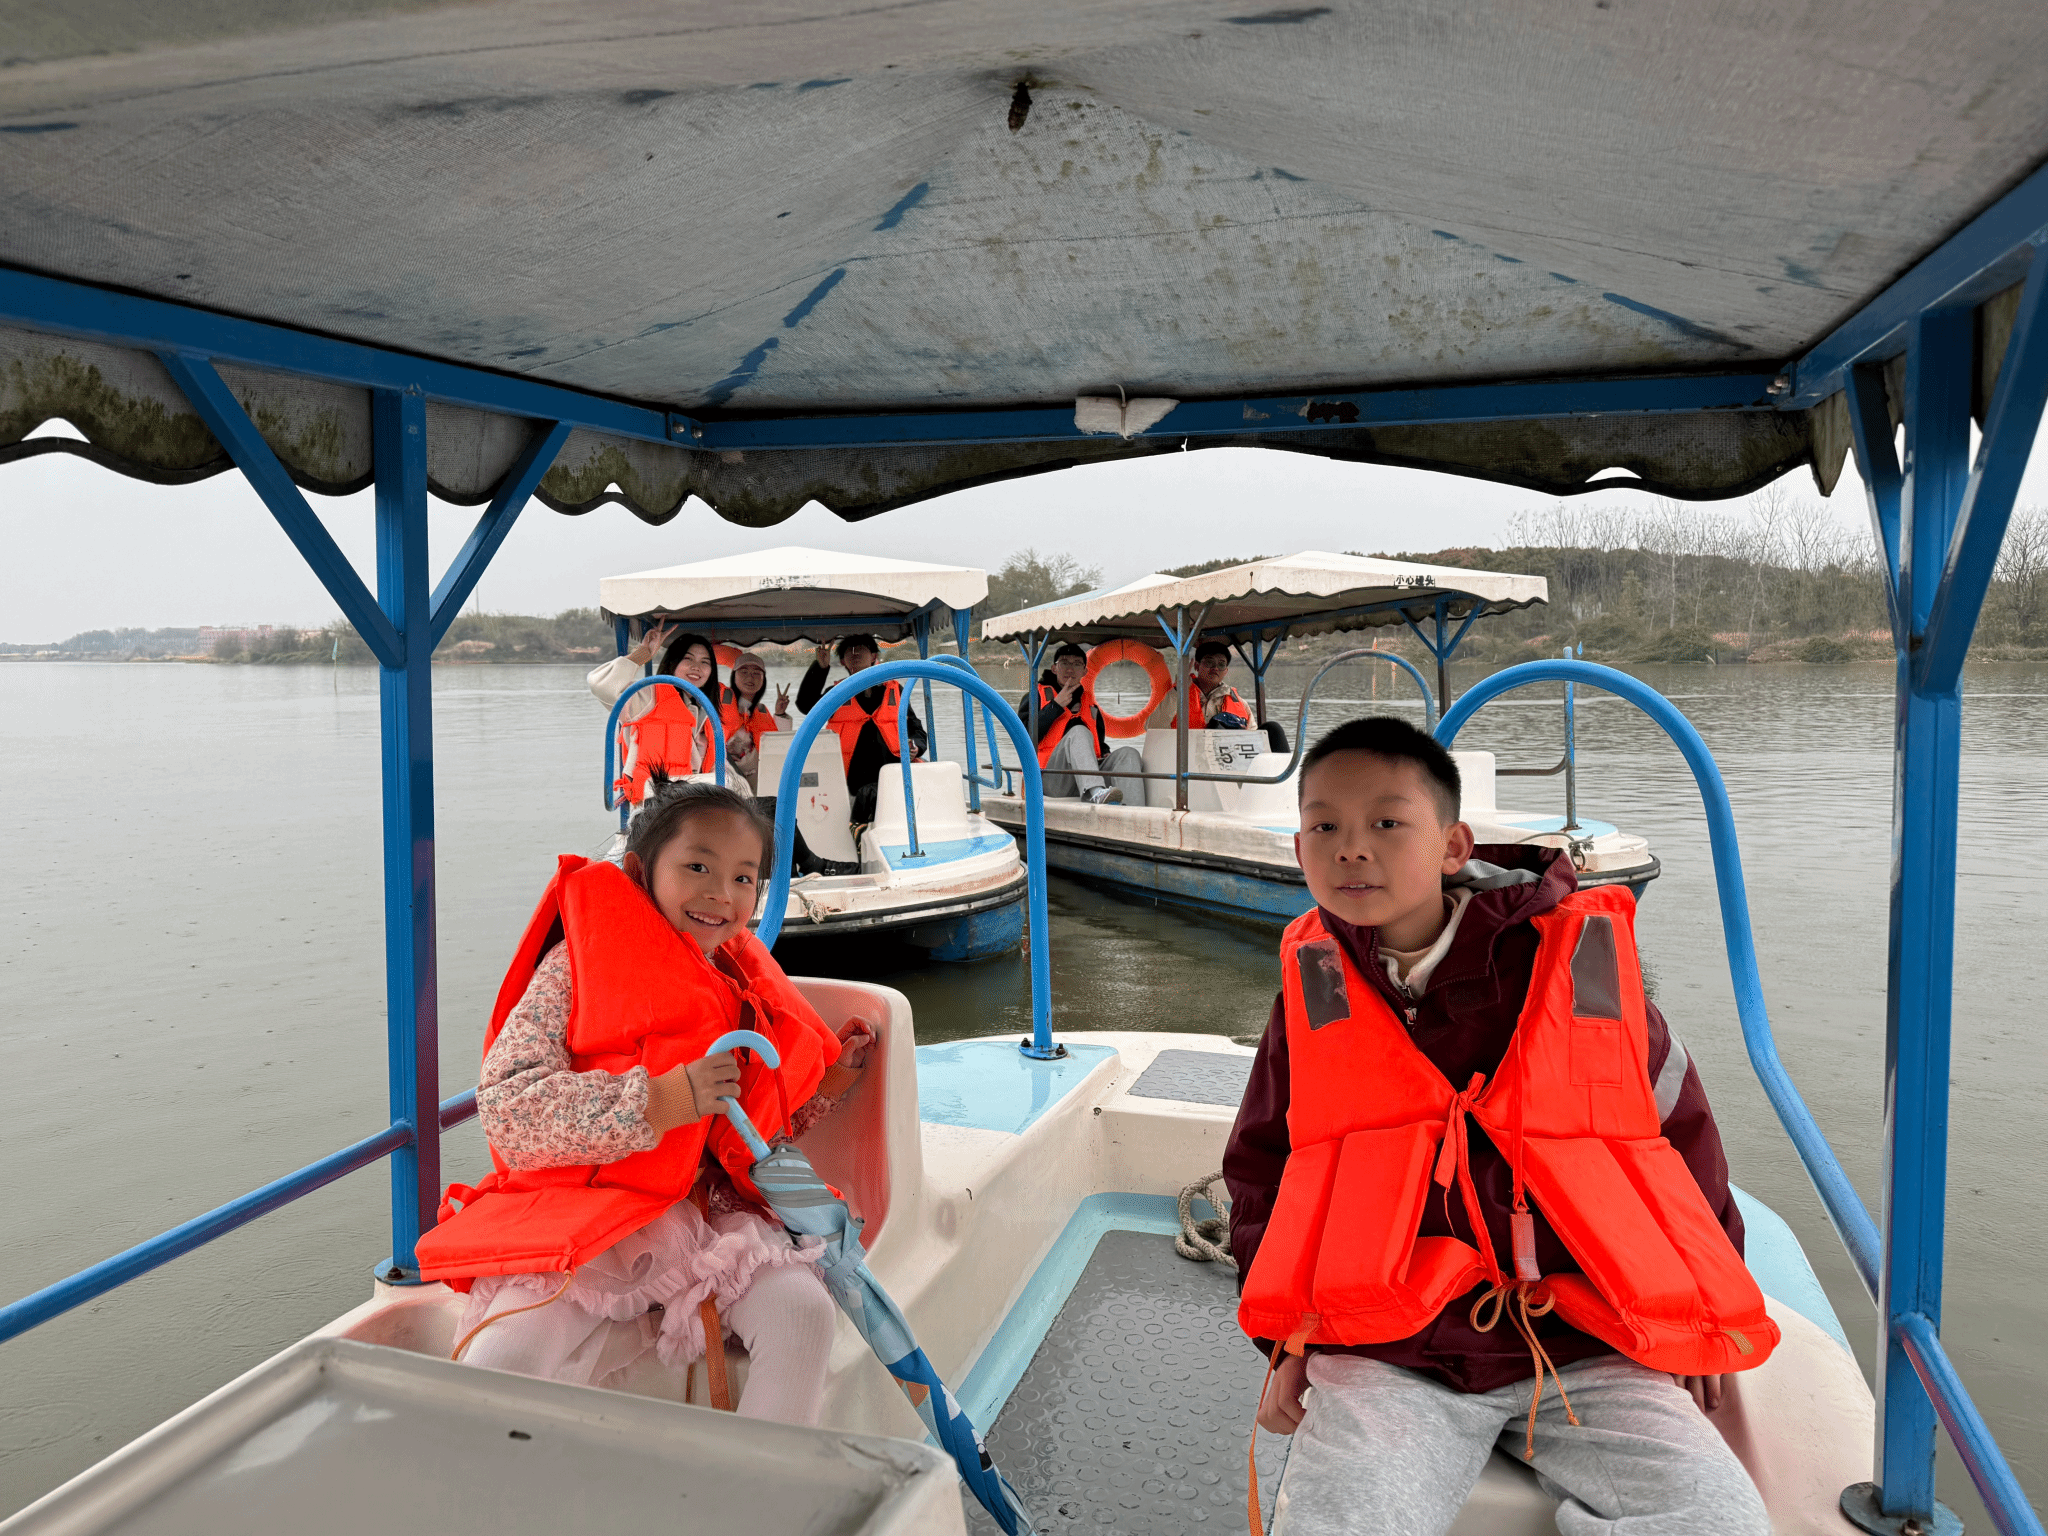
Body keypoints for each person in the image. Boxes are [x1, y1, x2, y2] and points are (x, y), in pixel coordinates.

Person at [1225, 717, 1773, 1536]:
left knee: (1718, 1521)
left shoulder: (1582, 969)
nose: (1351, 849)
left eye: (1386, 822)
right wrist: (1285, 1340)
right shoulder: (1313, 991)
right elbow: (1264, 1168)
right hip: (1392, 1348)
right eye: (1323, 827)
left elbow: (1681, 1143)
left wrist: (1695, 1326)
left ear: (1453, 846)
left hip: (1589, 1341)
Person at [415, 782, 877, 1425]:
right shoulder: (573, 967)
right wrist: (663, 1099)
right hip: (588, 1219)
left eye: (744, 878)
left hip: (704, 1219)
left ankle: (762, 1477)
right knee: (504, 1356)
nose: (721, 894)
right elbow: (508, 1110)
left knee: (802, 1316)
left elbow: (749, 1132)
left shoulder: (737, 983)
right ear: (639, 870)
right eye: (698, 867)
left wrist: (826, 1087)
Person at [589, 623, 730, 805]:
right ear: (672, 662)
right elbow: (601, 685)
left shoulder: (706, 713)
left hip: (692, 803)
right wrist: (643, 654)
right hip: (652, 804)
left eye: (705, 662)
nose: (696, 667)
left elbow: (716, 768)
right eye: (688, 659)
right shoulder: (649, 697)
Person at [795, 633, 926, 826]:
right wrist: (820, 668)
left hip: (892, 779)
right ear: (842, 661)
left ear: (873, 656)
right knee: (855, 829)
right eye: (849, 650)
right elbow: (806, 705)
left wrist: (915, 746)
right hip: (850, 784)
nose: (855, 653)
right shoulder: (837, 694)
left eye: (861, 649)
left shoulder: (895, 690)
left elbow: (916, 729)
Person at [1023, 642, 1142, 804]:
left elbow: (1099, 744)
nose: (1070, 669)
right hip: (1049, 780)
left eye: (1077, 664)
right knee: (1079, 731)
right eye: (1064, 663)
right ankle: (1095, 792)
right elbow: (1023, 738)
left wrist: (1105, 752)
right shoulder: (1035, 696)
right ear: (1054, 668)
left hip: (1083, 778)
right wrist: (1055, 706)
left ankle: (1136, 810)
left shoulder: (1091, 704)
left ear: (1085, 671)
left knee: (1128, 753)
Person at [723, 650, 791, 790]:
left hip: (757, 782)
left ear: (763, 679)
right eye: (744, 672)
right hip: (725, 781)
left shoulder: (761, 711)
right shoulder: (719, 702)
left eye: (756, 673)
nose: (750, 677)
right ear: (734, 675)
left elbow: (778, 745)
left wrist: (780, 713)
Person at [1167, 639, 1253, 731]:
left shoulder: (1241, 703)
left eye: (1221, 664)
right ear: (1196, 666)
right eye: (1209, 662)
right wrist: (1178, 690)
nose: (1215, 668)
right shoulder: (1174, 695)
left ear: (1226, 671)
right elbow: (1157, 724)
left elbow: (1253, 733)